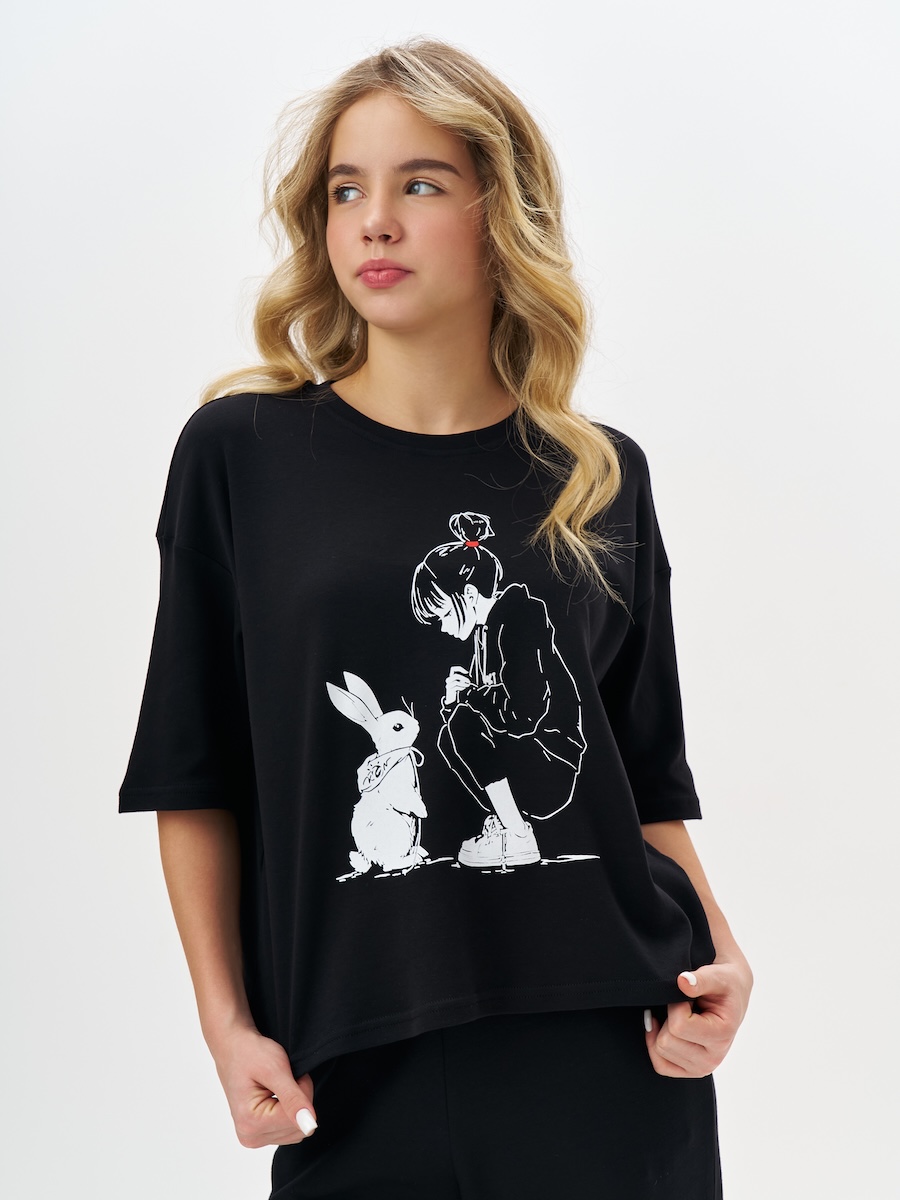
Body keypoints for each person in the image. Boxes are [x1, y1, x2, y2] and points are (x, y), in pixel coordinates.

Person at [119, 38, 752, 1199]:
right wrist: (225, 1023)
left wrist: (721, 952)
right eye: (343, 190)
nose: (374, 222)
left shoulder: (598, 474)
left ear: (500, 213)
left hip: (611, 1036)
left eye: (419, 183)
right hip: (355, 1053)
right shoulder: (241, 454)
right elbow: (191, 768)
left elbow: (646, 773)